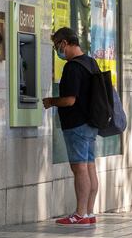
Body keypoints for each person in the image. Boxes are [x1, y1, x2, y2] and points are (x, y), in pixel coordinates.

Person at [43, 27, 99, 227]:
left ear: (64, 43)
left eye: (56, 46)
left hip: (76, 125)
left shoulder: (73, 67)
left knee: (79, 169)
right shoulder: (91, 63)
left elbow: (69, 100)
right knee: (90, 167)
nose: (57, 50)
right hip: (91, 124)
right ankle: (89, 212)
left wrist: (51, 101)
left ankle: (80, 214)